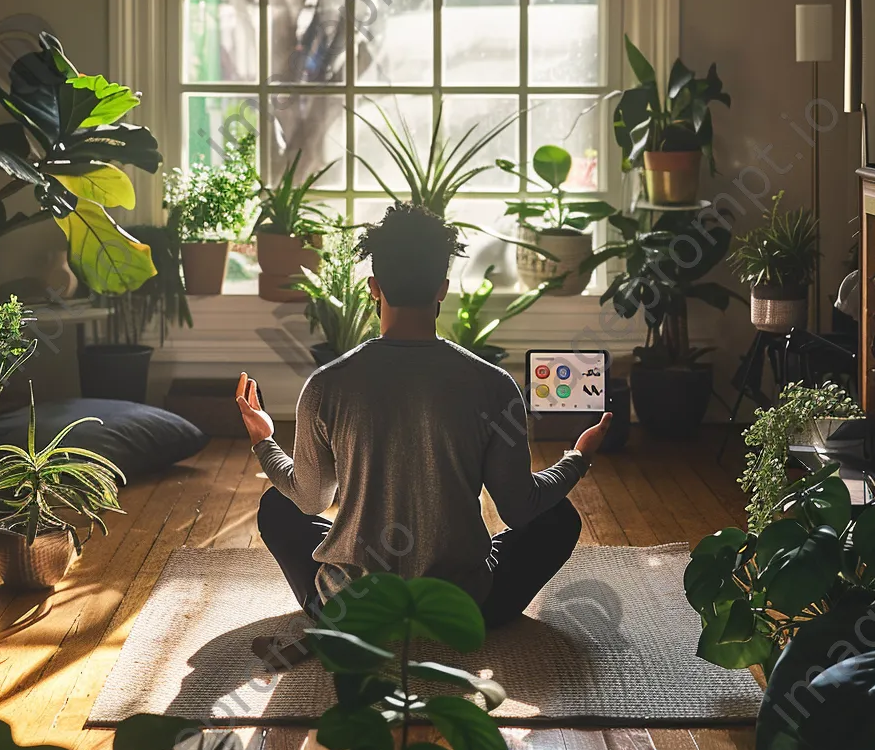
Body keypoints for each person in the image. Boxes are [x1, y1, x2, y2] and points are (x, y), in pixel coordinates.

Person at [236, 202, 611, 631]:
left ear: (374, 287)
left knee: (276, 507)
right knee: (558, 518)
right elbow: (519, 507)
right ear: (442, 288)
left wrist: (264, 442)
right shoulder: (492, 384)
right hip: (461, 608)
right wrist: (578, 458)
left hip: (355, 608)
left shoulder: (326, 385)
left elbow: (310, 499)